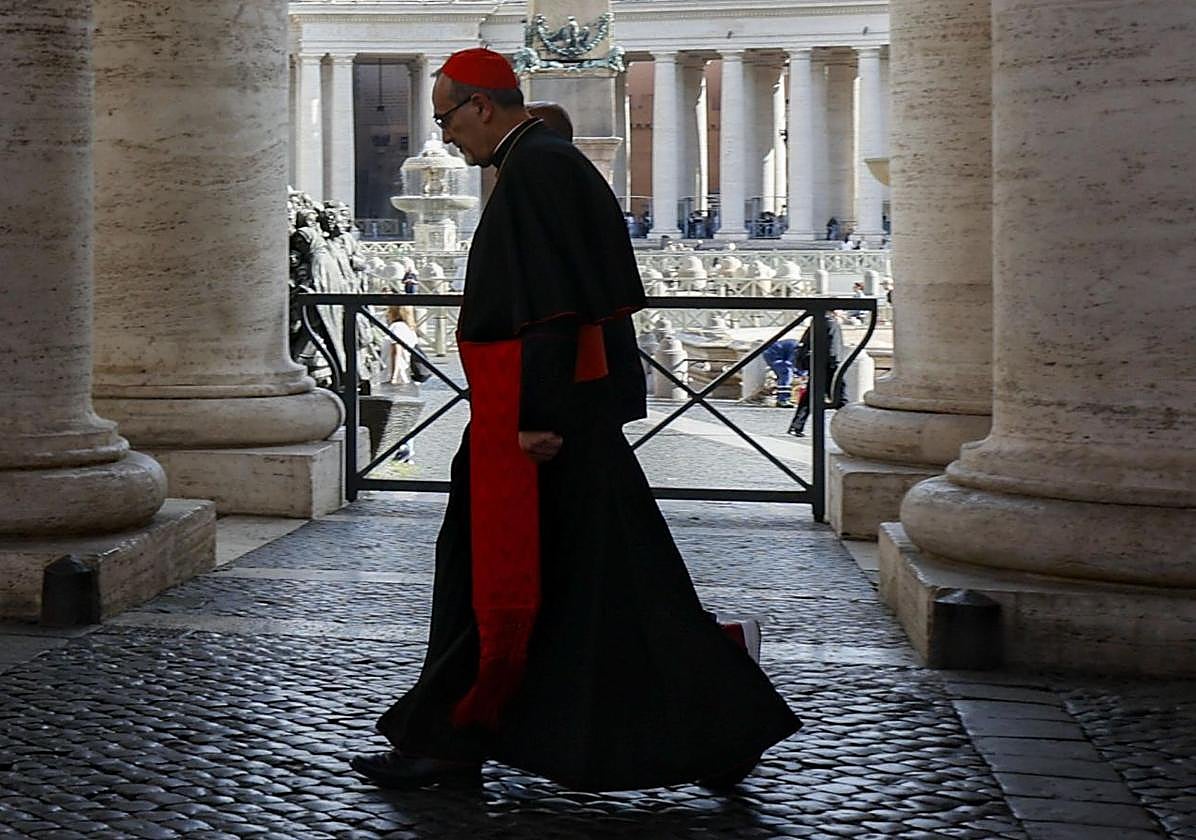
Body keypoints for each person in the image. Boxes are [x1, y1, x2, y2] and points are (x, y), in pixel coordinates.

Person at [350, 47, 799, 793]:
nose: (445, 138)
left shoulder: (538, 172)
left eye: (446, 118)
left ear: (482, 105)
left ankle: (457, 741)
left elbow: (557, 311)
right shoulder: (540, 165)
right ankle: (455, 737)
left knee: (573, 586)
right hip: (534, 418)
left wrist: (534, 417)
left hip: (537, 431)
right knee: (598, 589)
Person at [788, 313, 846, 437]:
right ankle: (851, 426)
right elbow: (833, 344)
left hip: (817, 363)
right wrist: (835, 362)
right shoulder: (831, 322)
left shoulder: (817, 321)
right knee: (840, 396)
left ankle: (796, 426)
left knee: (810, 397)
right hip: (828, 365)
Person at [762, 338, 800, 407]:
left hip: (774, 352)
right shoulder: (799, 350)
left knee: (786, 372)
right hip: (773, 353)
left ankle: (783, 398)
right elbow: (790, 363)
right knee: (785, 372)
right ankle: (783, 399)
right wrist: (799, 373)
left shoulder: (802, 348)